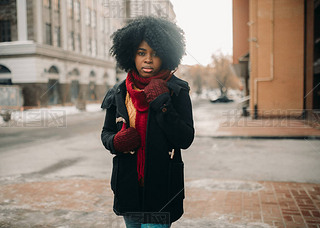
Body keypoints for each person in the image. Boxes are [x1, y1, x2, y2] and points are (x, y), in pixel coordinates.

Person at [101, 16, 194, 228]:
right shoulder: (119, 92)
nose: (148, 59)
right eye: (142, 53)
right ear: (131, 55)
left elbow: (185, 138)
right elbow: (105, 134)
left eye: (155, 53)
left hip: (163, 189)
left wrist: (162, 103)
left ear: (167, 55)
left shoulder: (177, 90)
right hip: (128, 188)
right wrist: (116, 141)